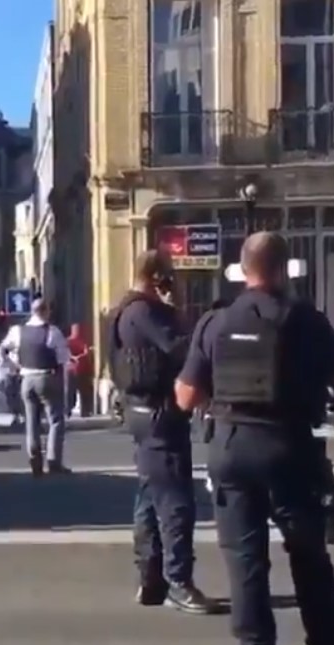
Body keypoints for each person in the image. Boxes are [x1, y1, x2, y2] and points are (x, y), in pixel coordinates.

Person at [175, 231, 334, 645]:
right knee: (310, 560)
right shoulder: (305, 319)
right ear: (285, 270)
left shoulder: (215, 322)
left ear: (243, 271)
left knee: (245, 564)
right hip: (289, 449)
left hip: (231, 448)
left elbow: (185, 396)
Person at [110, 250, 217, 616]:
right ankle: (179, 582)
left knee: (149, 496)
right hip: (157, 413)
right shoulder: (145, 312)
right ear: (158, 277)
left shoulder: (126, 309)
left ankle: (151, 579)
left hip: (140, 410)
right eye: (170, 276)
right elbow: (181, 347)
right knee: (175, 501)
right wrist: (177, 309)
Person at [0, 298, 70, 475]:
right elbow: (63, 359)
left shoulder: (17, 331)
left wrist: (11, 364)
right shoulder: (52, 332)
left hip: (26, 380)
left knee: (32, 421)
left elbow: (1, 350)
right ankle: (53, 461)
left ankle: (35, 462)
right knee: (56, 420)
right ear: (46, 312)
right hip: (47, 377)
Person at [66, 323, 94, 417]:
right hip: (83, 370)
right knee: (84, 392)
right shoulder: (83, 341)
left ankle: (68, 410)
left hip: (71, 370)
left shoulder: (67, 341)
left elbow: (65, 354)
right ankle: (85, 411)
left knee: (70, 392)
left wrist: (72, 358)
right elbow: (87, 353)